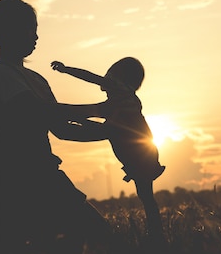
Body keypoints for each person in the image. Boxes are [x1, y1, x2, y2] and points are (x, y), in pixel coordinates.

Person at [0, 0, 110, 254]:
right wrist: (99, 110)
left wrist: (110, 130)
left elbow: (62, 129)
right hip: (16, 179)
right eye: (31, 29)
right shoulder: (0, 74)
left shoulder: (36, 79)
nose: (36, 37)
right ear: (8, 32)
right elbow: (39, 112)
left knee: (88, 238)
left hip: (45, 174)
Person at [51, 57, 166, 240]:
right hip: (145, 153)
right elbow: (90, 111)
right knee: (146, 196)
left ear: (119, 78)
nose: (105, 81)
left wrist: (67, 70)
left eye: (109, 74)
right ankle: (156, 234)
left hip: (140, 154)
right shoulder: (123, 102)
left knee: (146, 195)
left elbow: (90, 80)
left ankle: (156, 235)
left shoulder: (121, 95)